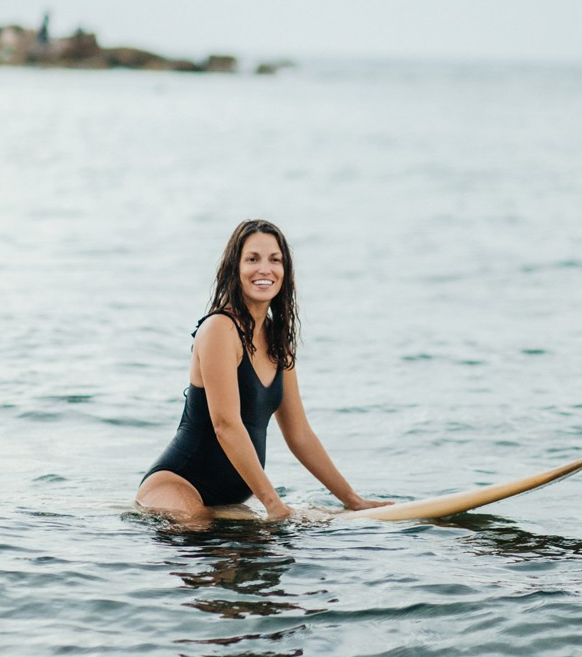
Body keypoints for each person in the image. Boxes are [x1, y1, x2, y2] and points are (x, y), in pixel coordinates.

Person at [136, 219, 391, 523]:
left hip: (229, 502)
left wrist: (353, 501)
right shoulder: (219, 329)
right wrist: (273, 505)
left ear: (286, 271)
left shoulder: (277, 340)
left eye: (275, 260)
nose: (265, 269)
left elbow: (299, 434)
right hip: (178, 489)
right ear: (235, 268)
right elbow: (225, 425)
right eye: (252, 259)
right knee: (201, 531)